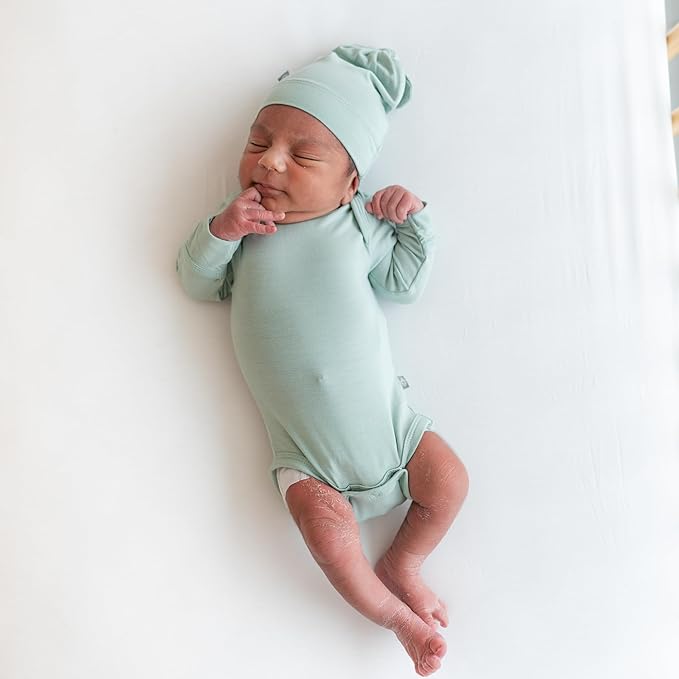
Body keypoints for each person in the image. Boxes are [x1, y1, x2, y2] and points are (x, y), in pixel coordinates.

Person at [176, 44, 469, 676]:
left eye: (303, 155)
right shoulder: (246, 231)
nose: (269, 162)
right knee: (328, 538)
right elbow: (197, 282)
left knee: (449, 482)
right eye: (259, 143)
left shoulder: (358, 226)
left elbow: (403, 283)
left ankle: (404, 563)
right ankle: (395, 618)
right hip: (308, 461)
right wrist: (221, 232)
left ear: (350, 183)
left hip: (395, 433)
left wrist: (414, 222)